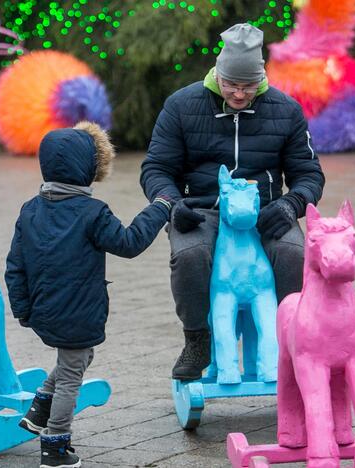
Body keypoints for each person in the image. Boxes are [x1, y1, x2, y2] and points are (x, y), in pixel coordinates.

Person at [140, 23, 325, 381]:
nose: (239, 94)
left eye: (248, 86)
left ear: (261, 78)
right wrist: (174, 203)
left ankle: (293, 341)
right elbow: (157, 168)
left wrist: (291, 204)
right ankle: (197, 339)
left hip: (266, 210)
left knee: (294, 253)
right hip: (202, 209)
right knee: (190, 255)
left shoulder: (285, 110)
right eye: (231, 85)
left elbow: (309, 174)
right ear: (217, 73)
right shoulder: (181, 105)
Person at [5, 122, 173, 468]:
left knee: (77, 359)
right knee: (71, 374)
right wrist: (160, 208)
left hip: (42, 310)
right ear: (89, 169)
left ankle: (39, 409)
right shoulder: (92, 213)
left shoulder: (30, 209)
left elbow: (14, 265)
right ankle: (55, 446)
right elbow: (129, 244)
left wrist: (23, 309)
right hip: (78, 311)